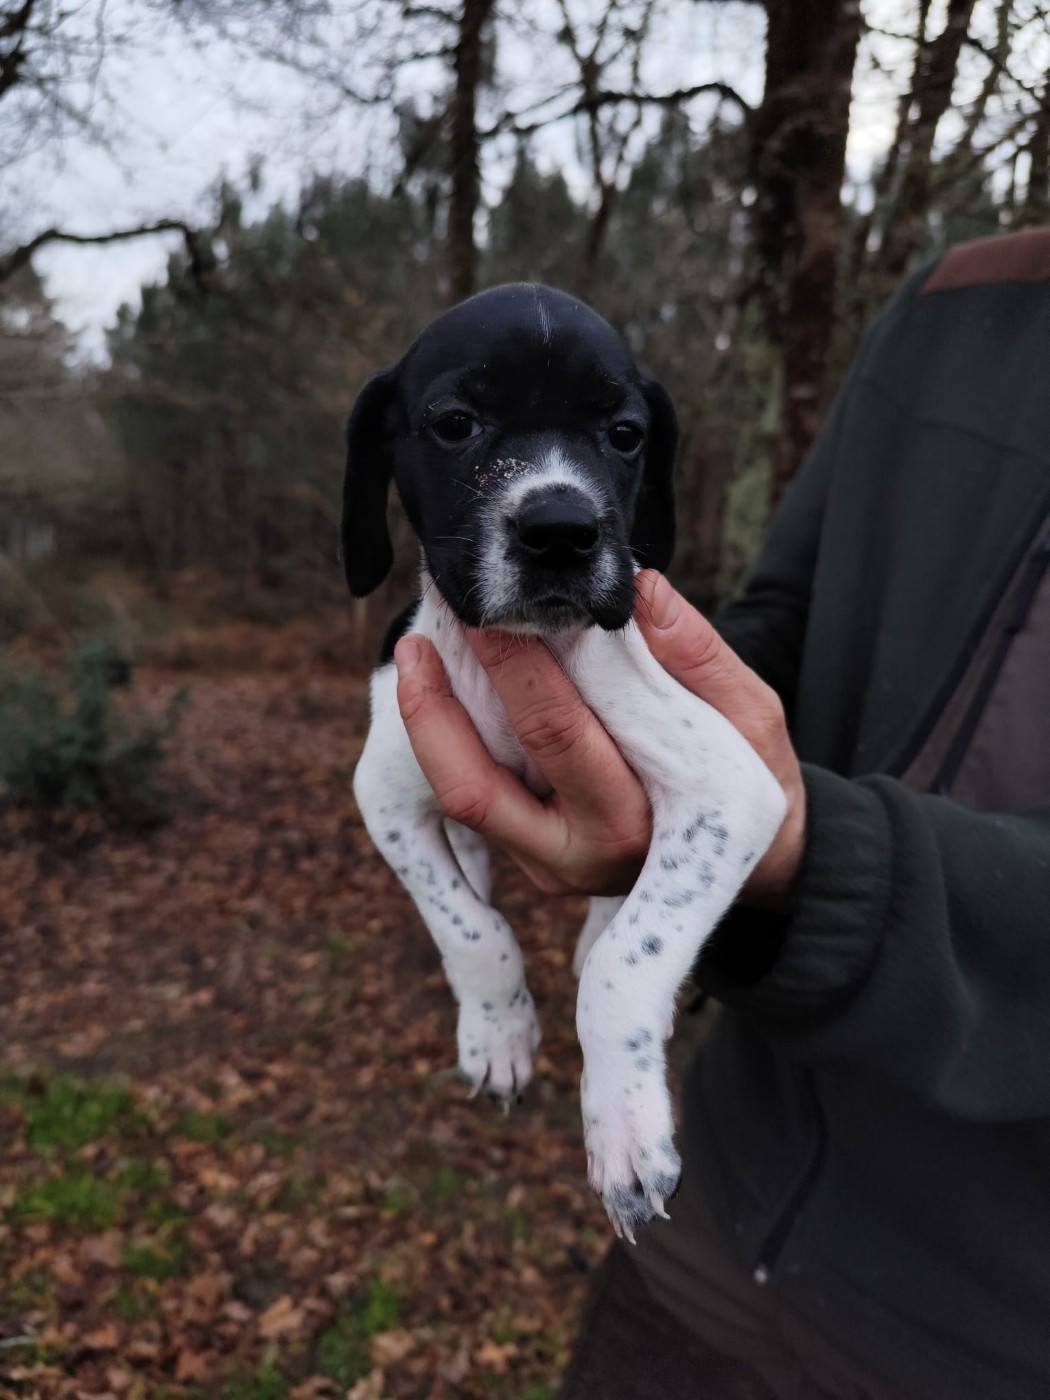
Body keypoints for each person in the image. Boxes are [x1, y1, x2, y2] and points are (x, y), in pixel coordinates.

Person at [391, 227, 1050, 1400]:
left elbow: (755, 805)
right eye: (458, 427)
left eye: (614, 436)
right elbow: (777, 613)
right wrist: (628, 729)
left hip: (990, 1332)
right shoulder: (960, 298)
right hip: (715, 1219)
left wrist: (785, 870)